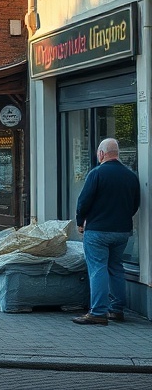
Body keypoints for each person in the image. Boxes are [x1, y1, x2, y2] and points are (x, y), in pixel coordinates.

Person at [71, 137, 140, 325]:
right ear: (116, 153)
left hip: (98, 231)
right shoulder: (131, 176)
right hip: (122, 232)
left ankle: (98, 312)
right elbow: (135, 204)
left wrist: (80, 221)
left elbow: (83, 201)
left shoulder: (97, 174)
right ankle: (116, 309)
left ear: (101, 154)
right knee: (116, 267)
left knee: (98, 269)